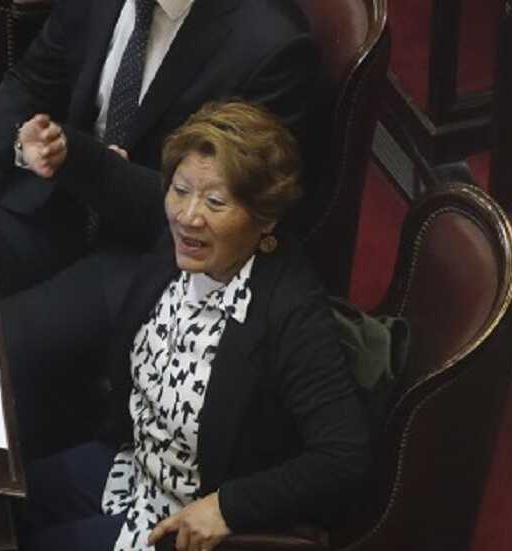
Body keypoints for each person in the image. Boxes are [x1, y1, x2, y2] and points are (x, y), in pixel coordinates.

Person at [19, 101, 370, 551]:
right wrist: (57, 144)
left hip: (185, 518)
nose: (188, 215)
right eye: (180, 190)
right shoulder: (186, 234)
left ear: (265, 218)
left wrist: (228, 507)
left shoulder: (291, 312)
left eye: (215, 202)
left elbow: (344, 456)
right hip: (134, 466)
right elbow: (116, 180)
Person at [0, 0, 319, 295]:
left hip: (151, 255)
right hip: (53, 208)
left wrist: (95, 167)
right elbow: (31, 85)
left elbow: (229, 209)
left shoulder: (272, 45)